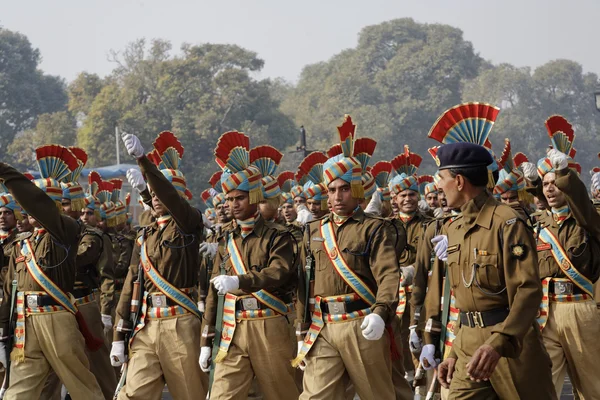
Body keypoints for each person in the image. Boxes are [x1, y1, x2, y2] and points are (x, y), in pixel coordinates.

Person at [431, 140, 555, 399]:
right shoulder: (453, 229)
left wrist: (499, 343)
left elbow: (527, 290)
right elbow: (465, 299)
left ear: (460, 181)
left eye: (442, 178)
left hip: (510, 346)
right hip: (466, 344)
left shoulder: (506, 222)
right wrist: (453, 352)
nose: (438, 185)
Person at [294, 115, 402, 400]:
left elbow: (389, 274)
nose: (337, 196)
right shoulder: (313, 230)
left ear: (356, 191)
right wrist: (300, 328)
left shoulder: (375, 228)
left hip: (362, 321)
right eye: (331, 190)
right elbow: (305, 281)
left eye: (344, 189)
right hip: (323, 325)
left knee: (377, 395)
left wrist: (381, 313)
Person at [199, 130, 299, 400]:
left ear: (254, 197)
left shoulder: (277, 235)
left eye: (239, 198)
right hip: (231, 326)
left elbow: (279, 271)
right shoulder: (226, 238)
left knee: (282, 394)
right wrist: (205, 340)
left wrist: (240, 281)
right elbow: (212, 292)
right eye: (230, 199)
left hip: (269, 323)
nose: (233, 204)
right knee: (222, 395)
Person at [0, 146, 104, 399]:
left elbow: (37, 203)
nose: (26, 209)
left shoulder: (64, 229)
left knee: (82, 387)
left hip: (56, 317)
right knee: (19, 390)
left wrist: (4, 171)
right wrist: (4, 326)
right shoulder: (21, 242)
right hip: (26, 321)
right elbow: (9, 288)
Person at [112, 131, 207, 400]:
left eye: (158, 192)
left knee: (189, 394)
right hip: (146, 323)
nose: (154, 197)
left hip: (180, 322)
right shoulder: (146, 234)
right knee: (133, 394)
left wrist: (143, 160)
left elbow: (171, 198)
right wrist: (119, 333)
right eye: (150, 194)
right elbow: (132, 281)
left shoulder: (189, 223)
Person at [520, 115, 600, 399]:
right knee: (544, 387)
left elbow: (584, 205)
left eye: (556, 183)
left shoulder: (588, 220)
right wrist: (531, 181)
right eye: (546, 184)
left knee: (592, 387)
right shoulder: (538, 223)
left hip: (581, 309)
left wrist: (565, 173)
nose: (550, 188)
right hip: (546, 312)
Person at [388, 145, 431, 394]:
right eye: (402, 195)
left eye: (411, 195)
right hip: (393, 297)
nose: (407, 199)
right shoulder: (385, 227)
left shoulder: (431, 225)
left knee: (422, 347)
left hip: (422, 296)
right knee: (396, 346)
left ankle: (423, 392)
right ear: (394, 199)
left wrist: (416, 268)